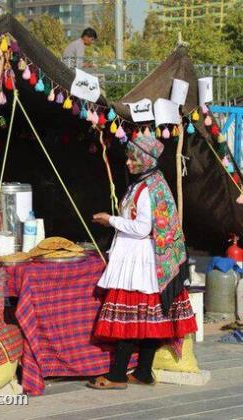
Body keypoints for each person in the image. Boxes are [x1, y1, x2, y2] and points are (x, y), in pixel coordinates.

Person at [89, 133, 197, 390]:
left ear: (145, 160)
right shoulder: (148, 182)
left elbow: (141, 227)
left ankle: (116, 375)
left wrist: (111, 220)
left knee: (131, 319)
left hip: (142, 262)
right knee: (149, 320)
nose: (127, 163)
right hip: (142, 258)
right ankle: (144, 372)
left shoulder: (150, 189)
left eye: (131, 158)